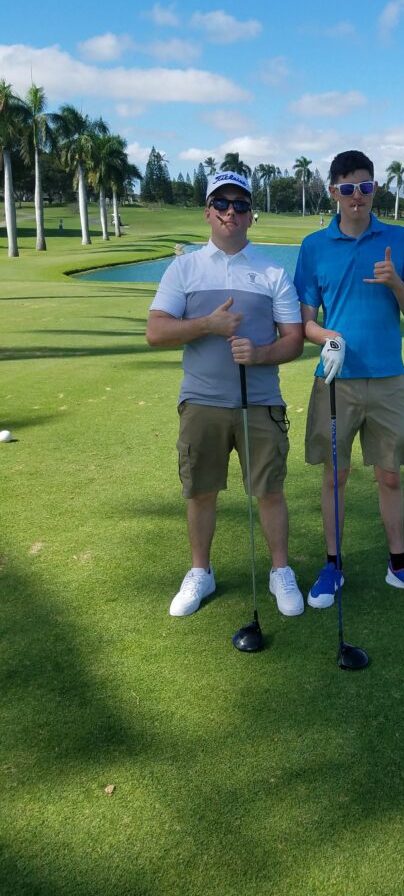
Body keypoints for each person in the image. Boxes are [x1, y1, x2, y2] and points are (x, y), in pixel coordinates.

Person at [146, 171, 305, 618]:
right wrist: (206, 325)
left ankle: (280, 571)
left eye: (240, 204)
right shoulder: (184, 269)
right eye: (222, 203)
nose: (230, 212)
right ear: (208, 213)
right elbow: (156, 331)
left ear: (251, 215)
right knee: (201, 491)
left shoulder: (273, 272)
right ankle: (201, 571)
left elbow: (293, 339)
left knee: (269, 490)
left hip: (261, 403)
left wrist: (259, 354)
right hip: (202, 401)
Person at [293, 150, 404, 608]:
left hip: (388, 379)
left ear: (374, 189)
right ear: (333, 192)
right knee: (334, 477)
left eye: (364, 187)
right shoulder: (314, 247)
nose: (356, 197)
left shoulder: (397, 240)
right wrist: (329, 339)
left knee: (390, 476)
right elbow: (305, 325)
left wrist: (397, 282)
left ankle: (399, 567)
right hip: (336, 380)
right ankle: (332, 566)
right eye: (346, 188)